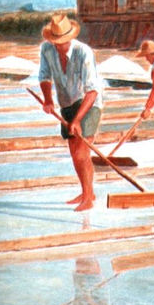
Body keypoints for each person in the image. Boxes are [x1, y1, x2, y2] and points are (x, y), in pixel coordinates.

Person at [39, 13, 103, 211]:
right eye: (56, 42)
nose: (60, 46)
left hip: (88, 104)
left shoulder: (84, 52)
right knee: (74, 153)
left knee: (81, 154)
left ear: (71, 38)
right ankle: (87, 192)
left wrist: (77, 120)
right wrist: (48, 100)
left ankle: (88, 198)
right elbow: (44, 77)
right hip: (66, 105)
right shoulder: (46, 49)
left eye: (63, 42)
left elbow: (92, 91)